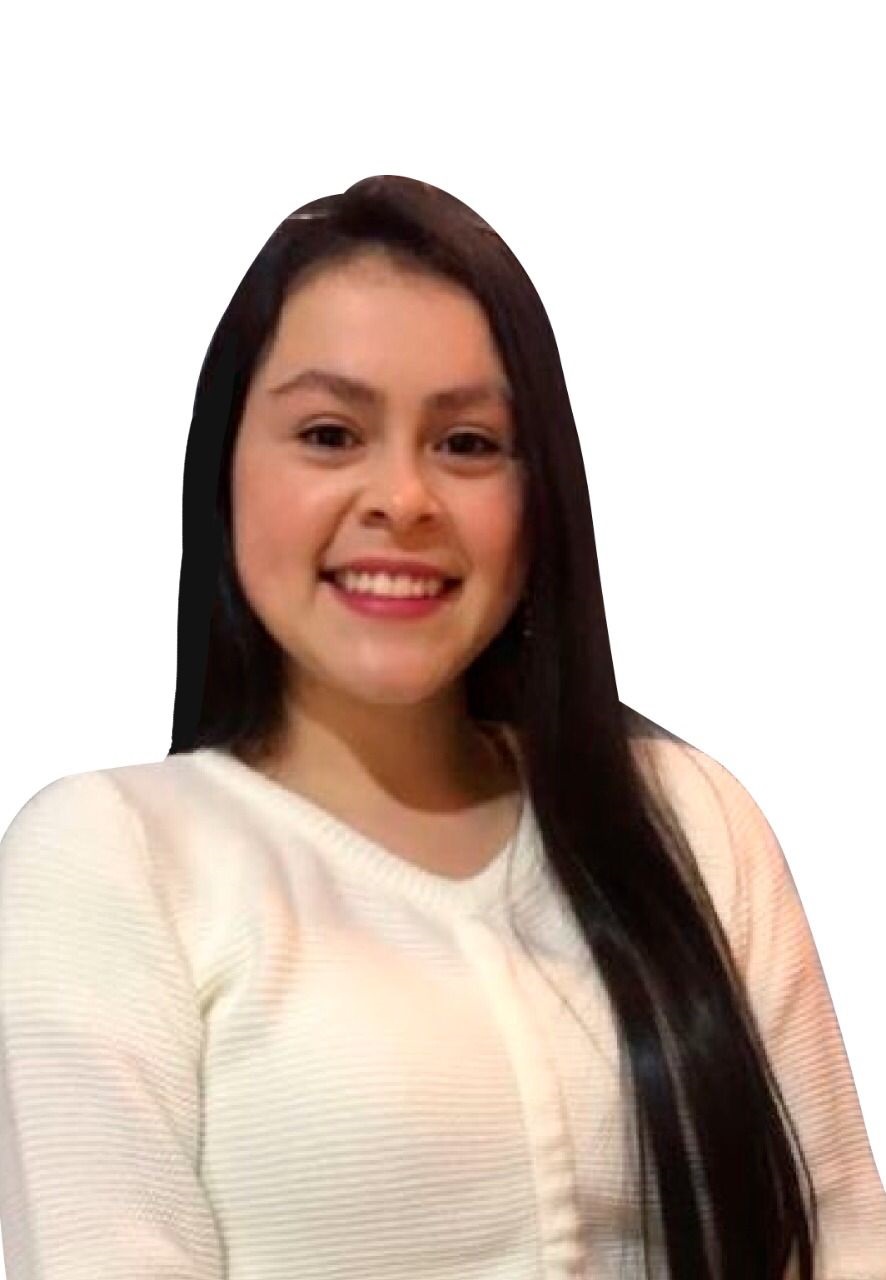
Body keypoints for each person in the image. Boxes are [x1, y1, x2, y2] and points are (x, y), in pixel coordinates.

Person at [1, 175, 884, 1280]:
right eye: (330, 434)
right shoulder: (111, 854)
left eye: (467, 443)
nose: (404, 499)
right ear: (222, 473)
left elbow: (848, 1234)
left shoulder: (693, 820)